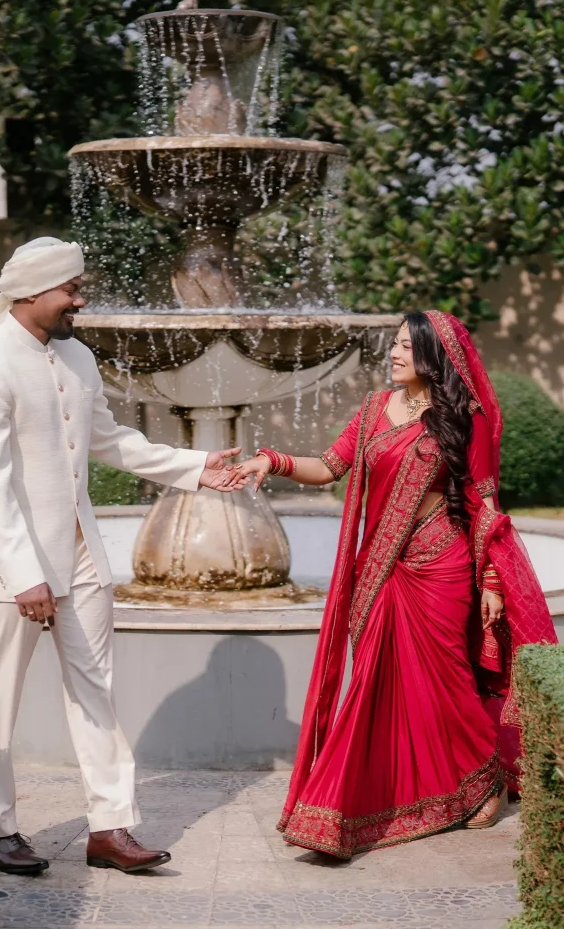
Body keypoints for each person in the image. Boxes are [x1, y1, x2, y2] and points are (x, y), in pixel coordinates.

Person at [0, 237, 248, 876]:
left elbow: (109, 440)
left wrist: (194, 466)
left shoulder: (77, 356)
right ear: (31, 292)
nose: (80, 300)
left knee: (96, 689)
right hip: (11, 565)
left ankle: (109, 829)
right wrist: (25, 576)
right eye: (70, 289)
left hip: (81, 551)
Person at [234, 311, 557, 859]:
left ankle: (484, 779)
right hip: (381, 568)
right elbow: (329, 466)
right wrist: (273, 460)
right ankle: (346, 809)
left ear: (435, 354)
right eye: (395, 343)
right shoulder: (372, 410)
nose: (395, 353)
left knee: (448, 685)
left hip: (442, 564)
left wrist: (493, 581)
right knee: (374, 686)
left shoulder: (466, 417)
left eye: (408, 345)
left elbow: (485, 503)